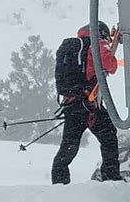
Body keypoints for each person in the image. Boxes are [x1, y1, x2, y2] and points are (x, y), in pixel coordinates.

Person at [51, 21, 122, 184]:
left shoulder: (74, 47)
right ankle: (111, 177)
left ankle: (59, 182)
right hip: (88, 104)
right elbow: (110, 65)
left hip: (72, 104)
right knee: (109, 137)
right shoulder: (97, 43)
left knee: (69, 145)